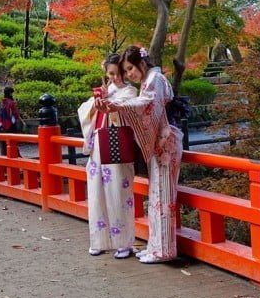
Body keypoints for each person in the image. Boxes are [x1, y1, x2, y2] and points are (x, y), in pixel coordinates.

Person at [98, 45, 183, 264]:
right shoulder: (150, 79)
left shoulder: (155, 79)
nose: (129, 75)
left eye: (130, 69)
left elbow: (146, 105)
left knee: (163, 197)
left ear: (142, 63)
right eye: (126, 71)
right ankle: (155, 246)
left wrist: (117, 105)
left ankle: (163, 251)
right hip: (160, 143)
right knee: (155, 196)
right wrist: (114, 105)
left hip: (167, 142)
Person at [78, 54, 138, 258]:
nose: (116, 78)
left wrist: (110, 106)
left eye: (119, 73)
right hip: (98, 147)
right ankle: (99, 240)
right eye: (111, 73)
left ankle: (124, 243)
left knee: (118, 193)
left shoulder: (130, 91)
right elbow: (84, 111)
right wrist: (96, 103)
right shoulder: (106, 91)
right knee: (96, 192)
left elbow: (129, 113)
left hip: (117, 147)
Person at [0, 87, 25, 155]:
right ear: (10, 93)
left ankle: (4, 154)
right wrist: (22, 121)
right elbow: (15, 113)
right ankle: (14, 154)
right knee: (13, 139)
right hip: (9, 124)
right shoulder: (11, 102)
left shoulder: (2, 101)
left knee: (3, 142)